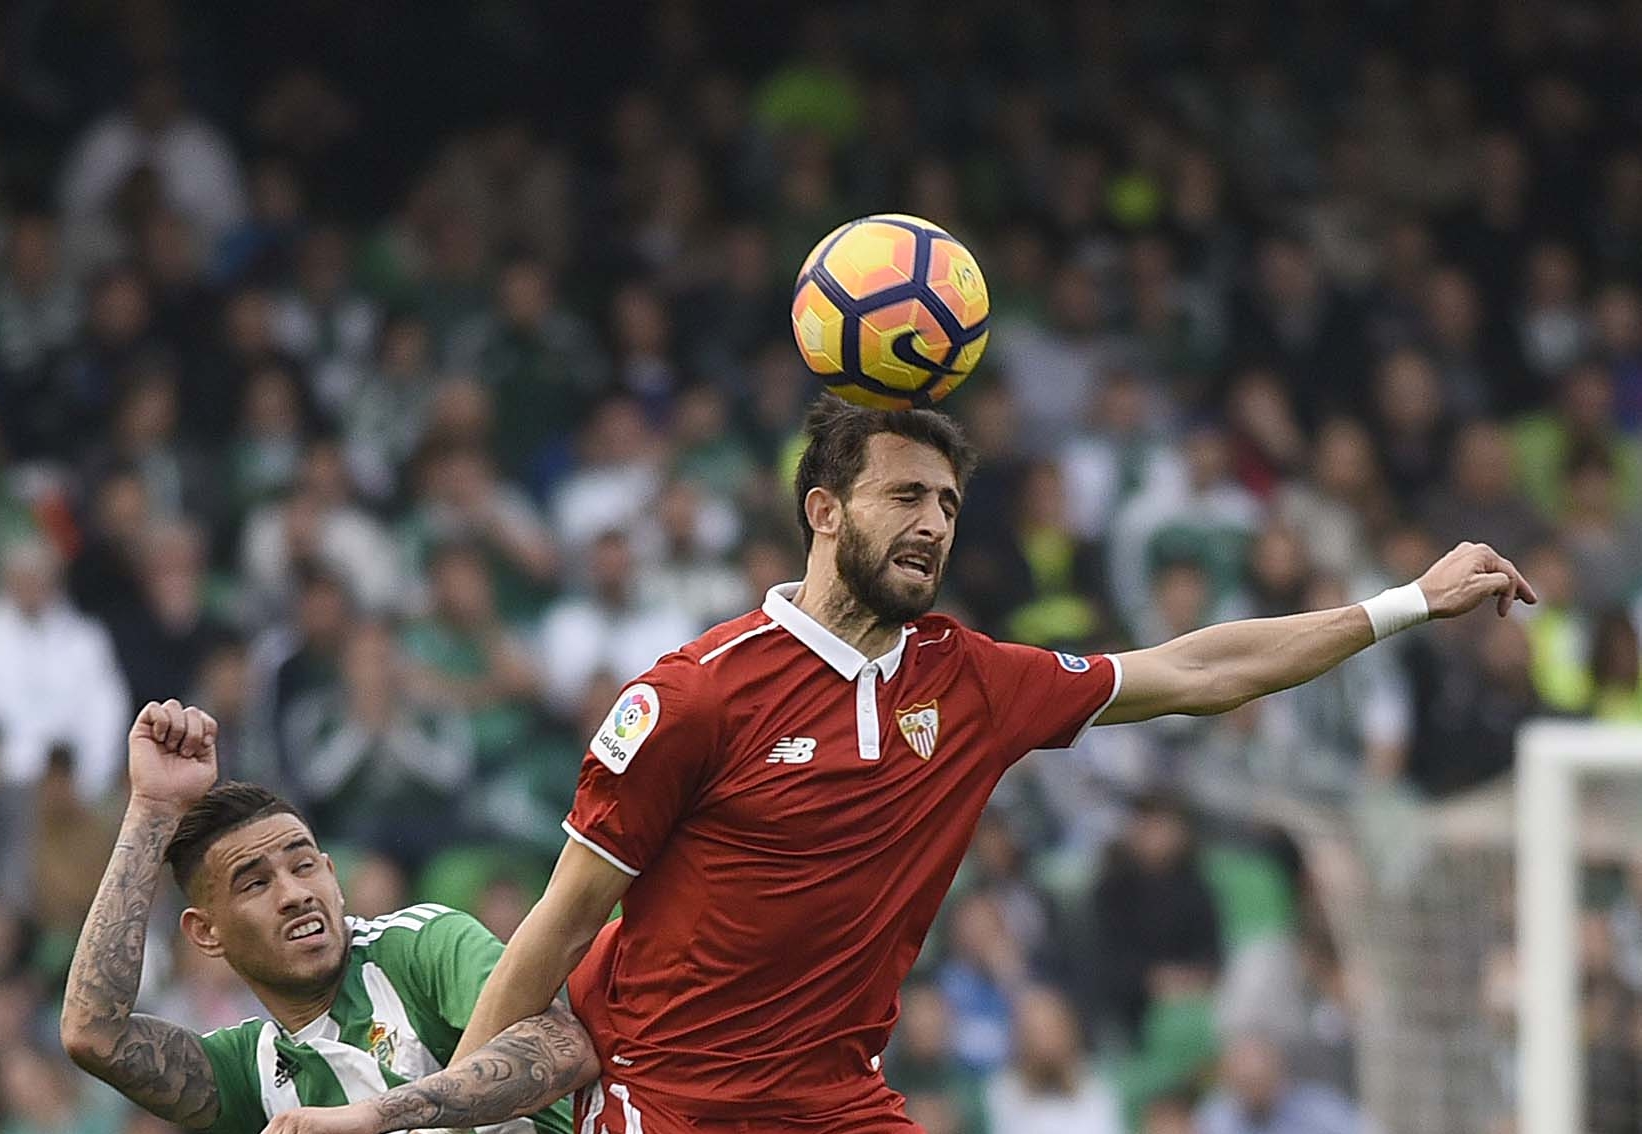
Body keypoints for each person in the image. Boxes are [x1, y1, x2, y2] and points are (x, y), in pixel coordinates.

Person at [406, 395, 1521, 1134]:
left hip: (839, 1102)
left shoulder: (971, 680)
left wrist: (1404, 602)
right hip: (676, 1104)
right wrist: (446, 1113)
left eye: (946, 501)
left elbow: (1200, 669)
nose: (934, 522)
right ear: (822, 509)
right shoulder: (694, 695)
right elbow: (557, 923)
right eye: (905, 495)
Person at [59, 699, 599, 1134]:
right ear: (206, 933)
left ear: (333, 875)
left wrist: (374, 1116)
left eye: (303, 865)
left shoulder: (419, 946)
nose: (294, 894)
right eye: (256, 883)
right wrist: (152, 809)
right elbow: (93, 1036)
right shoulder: (251, 1072)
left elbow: (565, 1050)